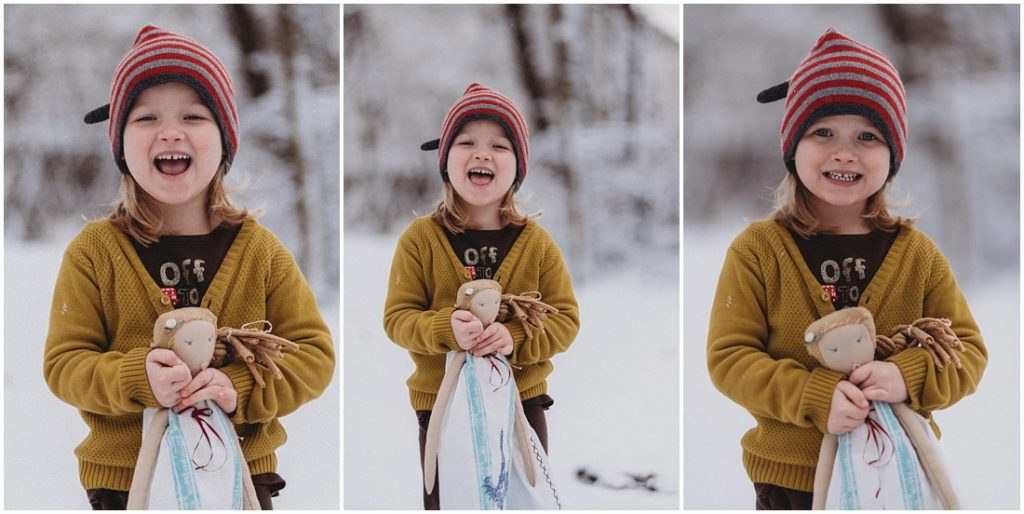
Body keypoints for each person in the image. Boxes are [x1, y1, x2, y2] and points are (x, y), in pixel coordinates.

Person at [42, 25, 334, 510]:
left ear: (224, 139)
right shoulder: (93, 253)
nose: (170, 131)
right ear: (120, 144)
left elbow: (313, 356)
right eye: (146, 117)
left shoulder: (260, 252)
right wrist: (139, 379)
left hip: (239, 475)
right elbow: (65, 365)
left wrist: (238, 386)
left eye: (193, 116)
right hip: (126, 482)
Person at [706, 28, 986, 510]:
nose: (844, 151)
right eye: (823, 132)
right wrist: (813, 396)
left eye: (867, 136)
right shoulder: (757, 251)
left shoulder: (918, 255)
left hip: (899, 469)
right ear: (793, 145)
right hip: (792, 479)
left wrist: (907, 375)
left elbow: (967, 352)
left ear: (892, 155)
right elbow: (730, 358)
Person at [383, 82, 580, 509]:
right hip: (442, 405)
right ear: (445, 161)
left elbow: (565, 319)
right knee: (450, 500)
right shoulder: (421, 240)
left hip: (521, 406)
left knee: (520, 499)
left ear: (518, 165)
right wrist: (443, 327)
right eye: (466, 142)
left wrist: (516, 337)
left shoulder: (536, 243)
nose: (482, 153)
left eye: (500, 145)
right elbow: (397, 318)